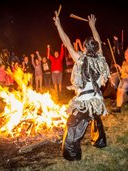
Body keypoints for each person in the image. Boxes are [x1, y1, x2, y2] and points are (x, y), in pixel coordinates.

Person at [53, 12, 110, 161]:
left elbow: (66, 41)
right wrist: (92, 26)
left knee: (72, 124)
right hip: (98, 101)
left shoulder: (80, 59)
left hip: (86, 103)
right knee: (95, 116)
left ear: (85, 48)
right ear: (96, 48)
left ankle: (72, 155)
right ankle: (100, 141)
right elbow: (98, 39)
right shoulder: (100, 57)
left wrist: (58, 24)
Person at [111, 48, 128, 112]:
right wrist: (118, 66)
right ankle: (118, 106)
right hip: (122, 79)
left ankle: (118, 107)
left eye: (127, 54)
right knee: (118, 92)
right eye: (125, 53)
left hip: (127, 80)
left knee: (121, 93)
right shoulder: (124, 62)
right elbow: (121, 71)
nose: (125, 55)